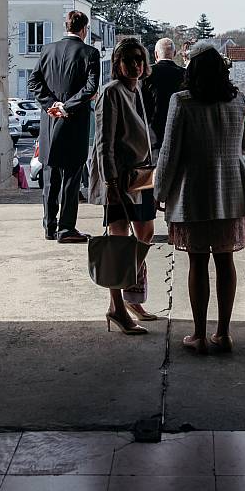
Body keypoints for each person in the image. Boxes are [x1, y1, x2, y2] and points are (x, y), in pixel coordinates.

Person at [154, 46, 245, 354]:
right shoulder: (237, 100)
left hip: (193, 191)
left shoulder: (182, 101)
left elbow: (169, 153)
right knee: (226, 261)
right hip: (231, 190)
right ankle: (223, 333)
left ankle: (199, 335)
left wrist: (160, 191)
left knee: (197, 262)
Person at [88, 39, 158, 334]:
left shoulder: (137, 88)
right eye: (129, 60)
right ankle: (117, 306)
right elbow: (104, 143)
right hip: (118, 177)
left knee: (145, 233)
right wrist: (111, 183)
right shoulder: (111, 92)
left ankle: (130, 294)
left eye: (140, 60)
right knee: (119, 241)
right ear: (117, 63)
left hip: (140, 176)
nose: (136, 65)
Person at [28, 9, 100, 243]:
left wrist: (52, 104)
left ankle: (49, 227)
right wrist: (67, 107)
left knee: (50, 178)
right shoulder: (90, 53)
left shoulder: (47, 50)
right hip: (74, 123)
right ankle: (66, 228)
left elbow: (34, 81)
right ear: (84, 29)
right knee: (71, 178)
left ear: (66, 26)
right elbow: (90, 89)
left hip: (50, 123)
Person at [141, 37, 185, 152]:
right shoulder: (184, 74)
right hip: (179, 131)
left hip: (153, 131)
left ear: (156, 54)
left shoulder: (147, 74)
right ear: (174, 53)